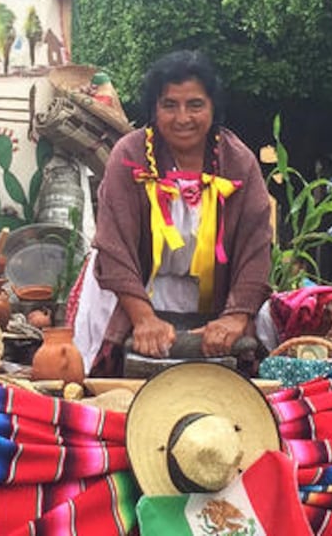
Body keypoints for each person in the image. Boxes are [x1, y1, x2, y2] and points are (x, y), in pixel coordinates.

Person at [72, 50, 273, 376]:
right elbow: (114, 245)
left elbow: (256, 246)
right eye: (169, 105)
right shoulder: (129, 155)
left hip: (217, 299)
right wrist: (143, 318)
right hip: (129, 293)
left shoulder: (239, 162)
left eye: (195, 105)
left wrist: (236, 316)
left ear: (213, 108)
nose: (182, 118)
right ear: (154, 109)